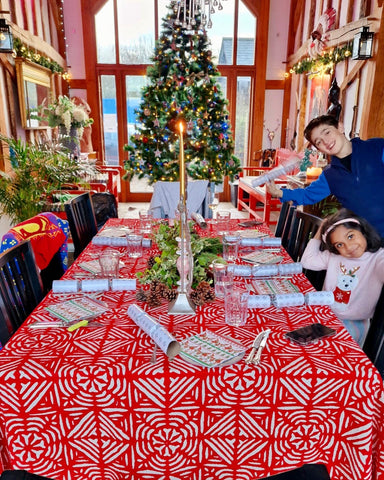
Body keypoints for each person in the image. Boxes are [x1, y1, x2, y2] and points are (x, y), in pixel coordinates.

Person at [266, 114, 384, 240]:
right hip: (362, 243)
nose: (326, 142)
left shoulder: (376, 148)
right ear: (319, 149)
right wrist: (278, 192)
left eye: (327, 132)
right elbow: (307, 195)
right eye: (319, 142)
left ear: (340, 127)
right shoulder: (329, 175)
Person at [301, 208, 384, 347]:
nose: (349, 247)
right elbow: (307, 261)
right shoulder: (335, 256)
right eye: (340, 244)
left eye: (350, 236)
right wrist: (321, 228)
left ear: (362, 230)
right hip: (325, 315)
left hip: (354, 323)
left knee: (324, 350)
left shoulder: (377, 258)